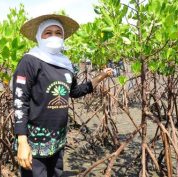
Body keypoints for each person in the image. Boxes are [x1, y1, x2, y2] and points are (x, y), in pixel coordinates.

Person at [13, 14, 113, 177]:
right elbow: (20, 101)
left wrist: (100, 77)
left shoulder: (65, 64)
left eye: (58, 32)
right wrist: (22, 142)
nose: (54, 36)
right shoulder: (30, 61)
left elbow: (74, 91)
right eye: (48, 32)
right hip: (34, 140)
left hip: (58, 137)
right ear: (39, 36)